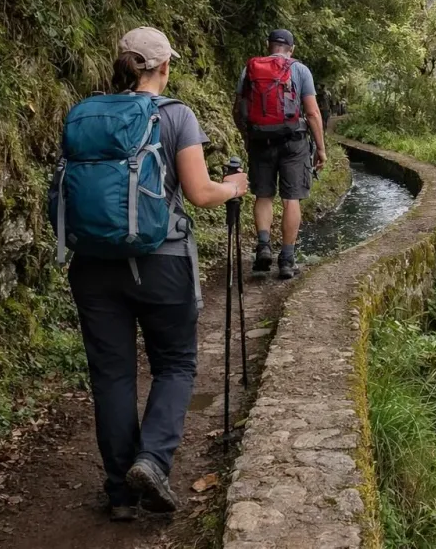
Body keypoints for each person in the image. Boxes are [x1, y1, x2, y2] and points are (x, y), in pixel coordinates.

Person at [64, 27, 248, 521]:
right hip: (161, 262)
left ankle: (119, 494)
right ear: (164, 67)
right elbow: (200, 193)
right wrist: (233, 187)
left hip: (93, 266)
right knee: (176, 364)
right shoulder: (176, 116)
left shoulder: (88, 116)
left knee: (113, 375)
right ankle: (152, 460)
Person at [233, 28, 326, 280]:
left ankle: (263, 246)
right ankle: (286, 260)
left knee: (263, 195)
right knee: (291, 198)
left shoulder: (249, 69)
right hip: (293, 142)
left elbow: (238, 110)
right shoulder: (300, 70)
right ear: (291, 49)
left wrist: (248, 137)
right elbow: (313, 113)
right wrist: (320, 149)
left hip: (260, 141)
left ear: (268, 45)